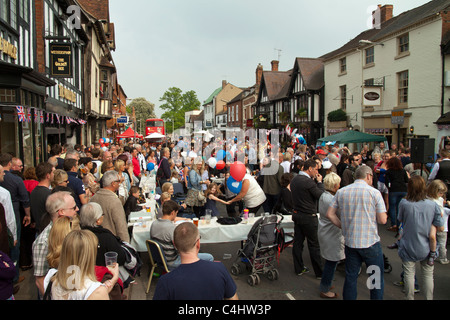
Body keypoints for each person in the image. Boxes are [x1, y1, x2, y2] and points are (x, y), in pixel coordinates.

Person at [326, 165, 387, 300]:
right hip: (370, 242)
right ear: (369, 176)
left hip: (351, 241)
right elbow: (382, 220)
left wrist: (343, 226)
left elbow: (330, 214)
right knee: (375, 278)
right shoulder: (374, 193)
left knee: (351, 277)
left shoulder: (342, 192)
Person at [153, 222, 238, 300]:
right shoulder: (219, 269)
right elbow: (233, 298)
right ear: (198, 243)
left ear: (174, 244)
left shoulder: (165, 282)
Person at [397, 176, 444, 300]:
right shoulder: (432, 205)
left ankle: (410, 297)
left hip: (408, 243)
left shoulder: (404, 203)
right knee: (428, 275)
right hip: (427, 245)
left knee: (409, 274)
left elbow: (400, 219)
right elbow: (440, 226)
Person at [43, 229, 119, 300]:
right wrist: (114, 278)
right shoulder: (96, 291)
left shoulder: (52, 278)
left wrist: (113, 280)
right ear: (89, 256)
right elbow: (95, 293)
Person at [32, 191, 79, 296]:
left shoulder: (72, 228)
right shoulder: (43, 242)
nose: (77, 209)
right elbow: (40, 281)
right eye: (74, 207)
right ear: (61, 212)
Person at [150, 200, 213, 270]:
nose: (176, 215)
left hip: (159, 260)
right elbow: (181, 249)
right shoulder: (171, 229)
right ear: (172, 213)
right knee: (209, 257)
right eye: (176, 213)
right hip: (172, 262)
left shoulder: (154, 224)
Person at [290, 159, 324, 278]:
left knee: (298, 243)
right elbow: (321, 195)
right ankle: (319, 273)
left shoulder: (294, 179)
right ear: (310, 169)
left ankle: (298, 268)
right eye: (316, 169)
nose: (317, 172)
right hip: (308, 217)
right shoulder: (308, 182)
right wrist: (319, 183)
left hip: (297, 214)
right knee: (314, 245)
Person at [317, 172, 343, 299]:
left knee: (330, 261)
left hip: (325, 231)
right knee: (331, 262)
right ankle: (325, 288)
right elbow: (338, 214)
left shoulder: (324, 195)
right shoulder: (332, 199)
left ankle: (327, 283)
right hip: (331, 233)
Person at [90, 171, 130, 243]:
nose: (119, 183)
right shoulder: (114, 201)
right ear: (113, 184)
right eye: (118, 181)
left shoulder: (93, 198)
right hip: (112, 241)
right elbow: (121, 226)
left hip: (96, 240)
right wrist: (126, 244)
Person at [426, 179, 449, 265]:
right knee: (441, 242)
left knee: (432, 240)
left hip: (431, 223)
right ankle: (441, 257)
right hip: (439, 224)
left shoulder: (430, 199)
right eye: (441, 193)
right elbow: (441, 214)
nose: (442, 195)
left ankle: (432, 254)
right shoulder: (436, 201)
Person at [384, 156, 409, 233]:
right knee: (399, 207)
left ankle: (393, 224)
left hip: (393, 190)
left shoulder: (388, 171)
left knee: (392, 207)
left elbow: (386, 181)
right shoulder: (403, 170)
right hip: (403, 189)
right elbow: (406, 180)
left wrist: (389, 187)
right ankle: (399, 224)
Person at [30, 162, 55, 234]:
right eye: (53, 173)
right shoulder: (48, 194)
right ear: (48, 175)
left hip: (39, 230)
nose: (54, 175)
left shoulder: (34, 191)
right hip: (47, 232)